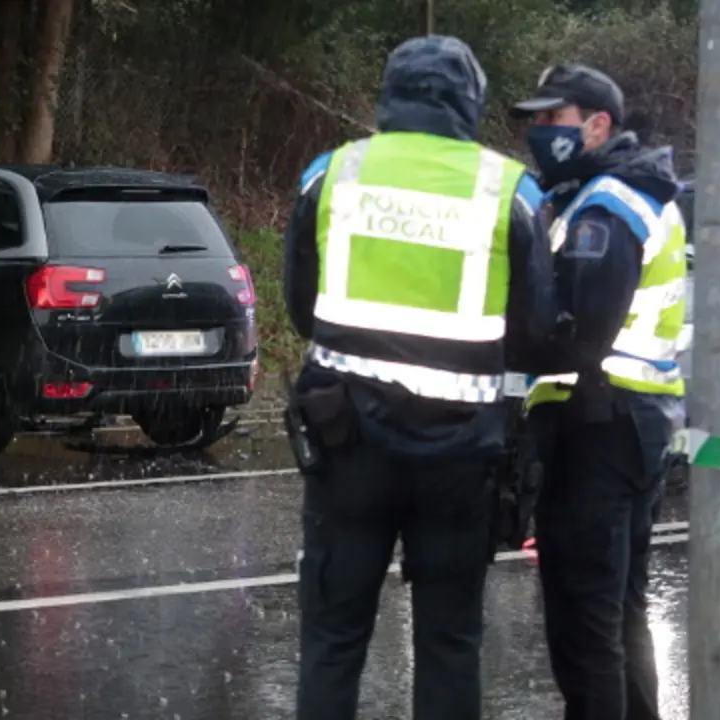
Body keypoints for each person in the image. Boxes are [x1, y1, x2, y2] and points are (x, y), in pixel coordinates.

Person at [282, 35, 556, 719]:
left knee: (333, 639)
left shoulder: (332, 173)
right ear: (471, 102)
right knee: (449, 641)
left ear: (390, 93)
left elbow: (301, 306)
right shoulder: (511, 190)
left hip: (345, 441)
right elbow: (535, 332)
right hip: (459, 454)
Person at [511, 63, 686, 720]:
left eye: (552, 118)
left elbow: (579, 334)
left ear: (598, 124)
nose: (538, 129)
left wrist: (513, 343)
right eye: (534, 118)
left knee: (585, 625)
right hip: (630, 422)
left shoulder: (606, 208)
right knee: (618, 615)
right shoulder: (622, 192)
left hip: (597, 425)